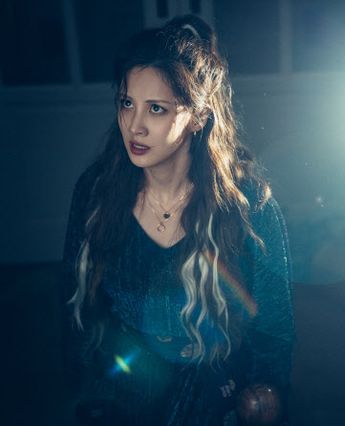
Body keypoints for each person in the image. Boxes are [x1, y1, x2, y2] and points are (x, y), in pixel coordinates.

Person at [61, 15, 294, 425]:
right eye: (127, 103)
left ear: (198, 117)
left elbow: (274, 325)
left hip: (218, 398)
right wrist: (91, 394)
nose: (134, 126)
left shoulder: (248, 204)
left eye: (156, 108)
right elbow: (77, 311)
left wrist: (264, 391)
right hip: (126, 395)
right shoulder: (96, 193)